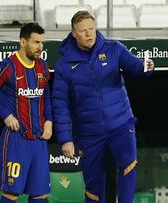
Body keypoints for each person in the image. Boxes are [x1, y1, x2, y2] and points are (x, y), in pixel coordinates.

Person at [52, 11, 155, 203]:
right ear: (74, 33)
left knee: (129, 166)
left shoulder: (113, 48)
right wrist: (66, 139)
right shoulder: (64, 65)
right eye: (83, 31)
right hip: (89, 133)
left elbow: (135, 67)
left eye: (91, 29)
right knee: (93, 187)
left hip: (121, 124)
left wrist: (146, 67)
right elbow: (60, 104)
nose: (89, 34)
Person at [0, 23, 52, 203]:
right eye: (35, 42)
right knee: (12, 193)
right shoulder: (8, 66)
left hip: (39, 139)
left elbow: (46, 96)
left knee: (40, 194)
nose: (40, 47)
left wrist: (49, 120)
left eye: (42, 43)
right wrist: (5, 115)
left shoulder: (42, 66)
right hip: (16, 139)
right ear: (22, 41)